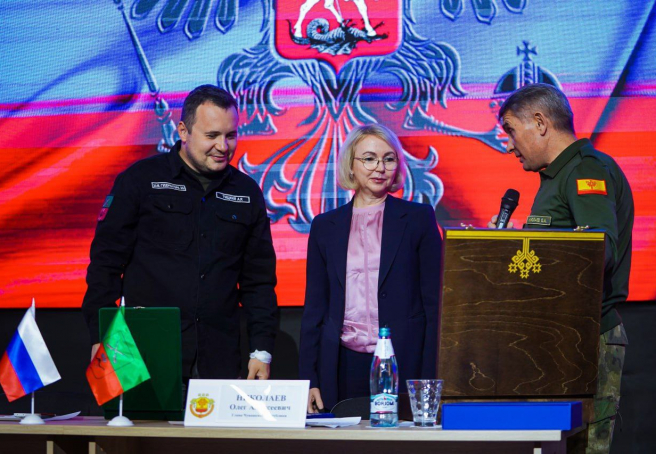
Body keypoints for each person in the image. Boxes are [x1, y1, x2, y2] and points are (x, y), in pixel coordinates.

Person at [82, 85, 278, 384]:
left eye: (231, 135)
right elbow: (105, 265)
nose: (223, 146)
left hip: (218, 357)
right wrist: (101, 335)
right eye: (212, 135)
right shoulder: (140, 180)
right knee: (141, 417)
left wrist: (261, 351)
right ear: (183, 131)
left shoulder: (247, 192)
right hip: (141, 352)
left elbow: (259, 281)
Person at [489, 83, 634, 453]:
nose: (509, 145)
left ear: (540, 123)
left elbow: (598, 252)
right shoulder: (557, 177)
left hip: (583, 342)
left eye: (511, 130)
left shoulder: (586, 170)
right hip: (553, 341)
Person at [299, 124, 442, 413]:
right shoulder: (325, 226)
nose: (380, 167)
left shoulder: (418, 219)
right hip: (341, 363)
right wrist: (308, 379)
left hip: (404, 360)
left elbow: (435, 305)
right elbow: (315, 307)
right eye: (369, 158)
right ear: (350, 165)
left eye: (388, 159)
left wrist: (429, 377)